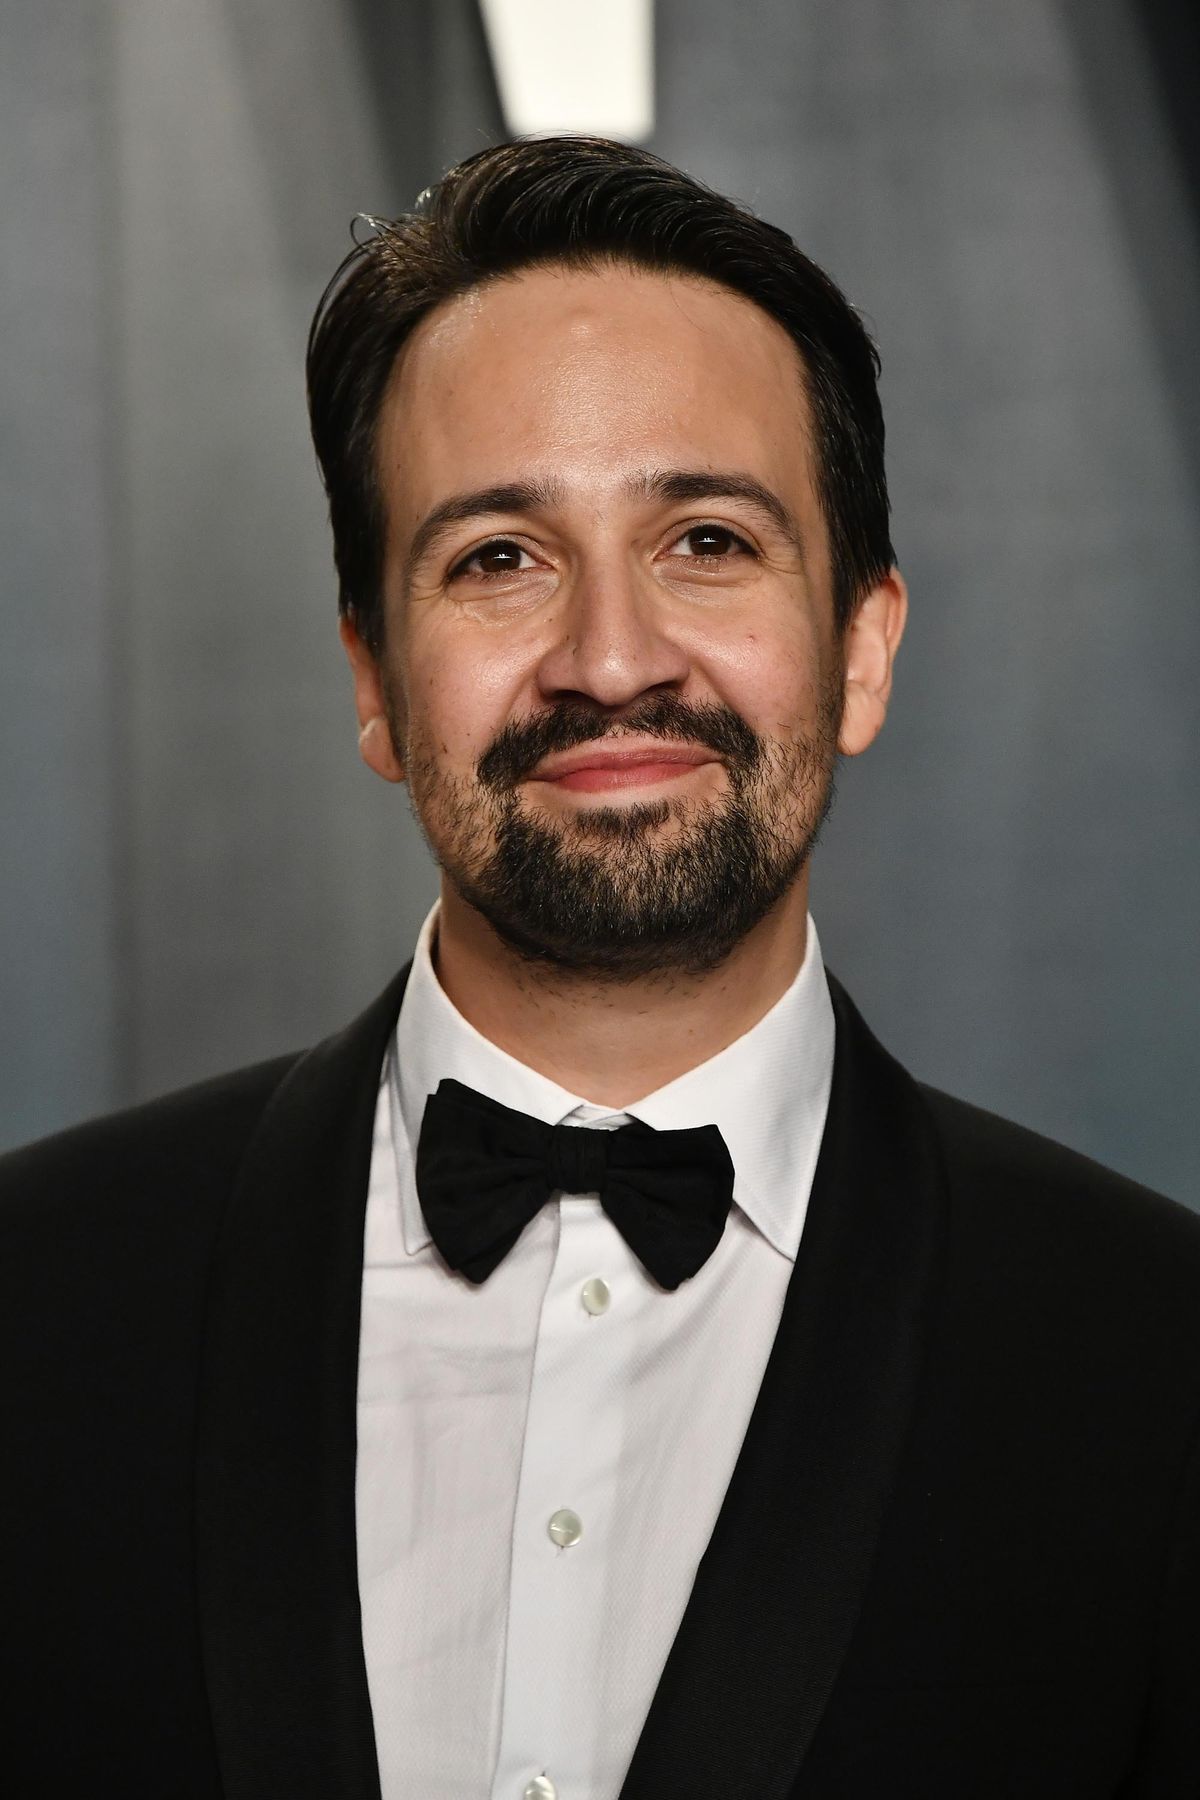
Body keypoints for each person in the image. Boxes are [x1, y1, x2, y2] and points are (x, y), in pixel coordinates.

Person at [1, 136, 1197, 1800]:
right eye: (498, 556)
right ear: (374, 678)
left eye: (707, 538)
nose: (611, 658)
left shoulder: (1161, 1357)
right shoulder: (33, 1303)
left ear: (860, 647)